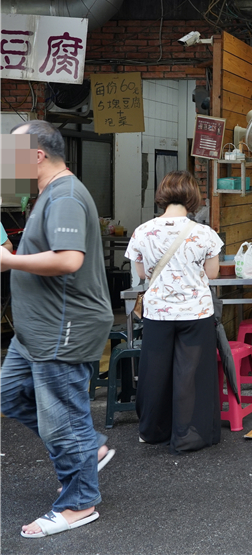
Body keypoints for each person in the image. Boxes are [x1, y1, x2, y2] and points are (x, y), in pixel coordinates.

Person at [0, 121, 115, 539]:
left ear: (36, 155)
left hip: (62, 328)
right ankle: (89, 448)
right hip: (36, 331)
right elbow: (39, 254)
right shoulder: (46, 193)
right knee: (10, 395)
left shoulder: (64, 194)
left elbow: (69, 260)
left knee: (61, 420)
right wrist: (13, 254)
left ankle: (79, 503)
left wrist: (9, 262)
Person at [125, 170, 224, 453]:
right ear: (194, 197)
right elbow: (212, 273)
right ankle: (189, 435)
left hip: (157, 312)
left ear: (163, 195)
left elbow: (142, 273)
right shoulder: (205, 233)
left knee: (154, 372)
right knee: (191, 373)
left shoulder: (142, 231)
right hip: (196, 313)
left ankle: (153, 432)